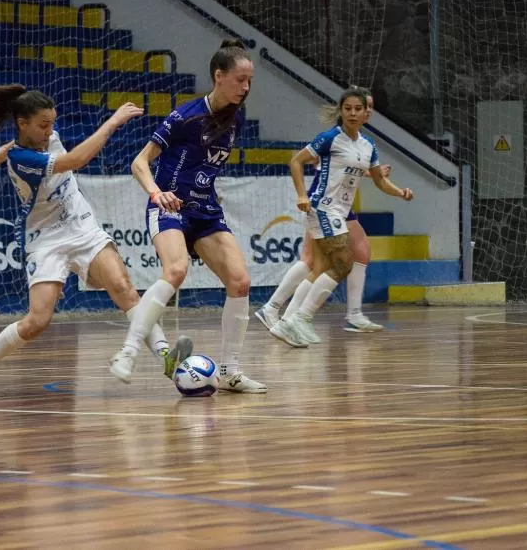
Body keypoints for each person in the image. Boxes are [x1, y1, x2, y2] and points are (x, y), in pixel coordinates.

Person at [0, 85, 191, 393]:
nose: (51, 130)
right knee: (37, 321)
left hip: (82, 228)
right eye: (43, 124)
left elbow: (6, 146)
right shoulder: (22, 158)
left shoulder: (39, 136)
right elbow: (75, 161)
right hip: (45, 240)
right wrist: (112, 122)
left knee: (124, 288)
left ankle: (167, 357)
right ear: (23, 123)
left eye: (52, 123)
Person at [111, 39, 266, 393]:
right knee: (176, 270)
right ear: (219, 76)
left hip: (205, 210)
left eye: (249, 82)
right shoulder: (185, 116)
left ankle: (229, 371)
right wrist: (156, 192)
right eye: (240, 80)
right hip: (168, 206)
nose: (245, 88)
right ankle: (128, 351)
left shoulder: (235, 119)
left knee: (240, 282)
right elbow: (139, 162)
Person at [269, 87, 414, 346]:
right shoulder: (330, 138)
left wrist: (400, 192)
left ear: (365, 112)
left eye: (358, 109)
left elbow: (380, 181)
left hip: (339, 211)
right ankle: (300, 318)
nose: (353, 113)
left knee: (322, 267)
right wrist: (301, 195)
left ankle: (286, 322)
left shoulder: (368, 146)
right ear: (341, 111)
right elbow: (296, 161)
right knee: (344, 264)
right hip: (323, 208)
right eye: (347, 109)